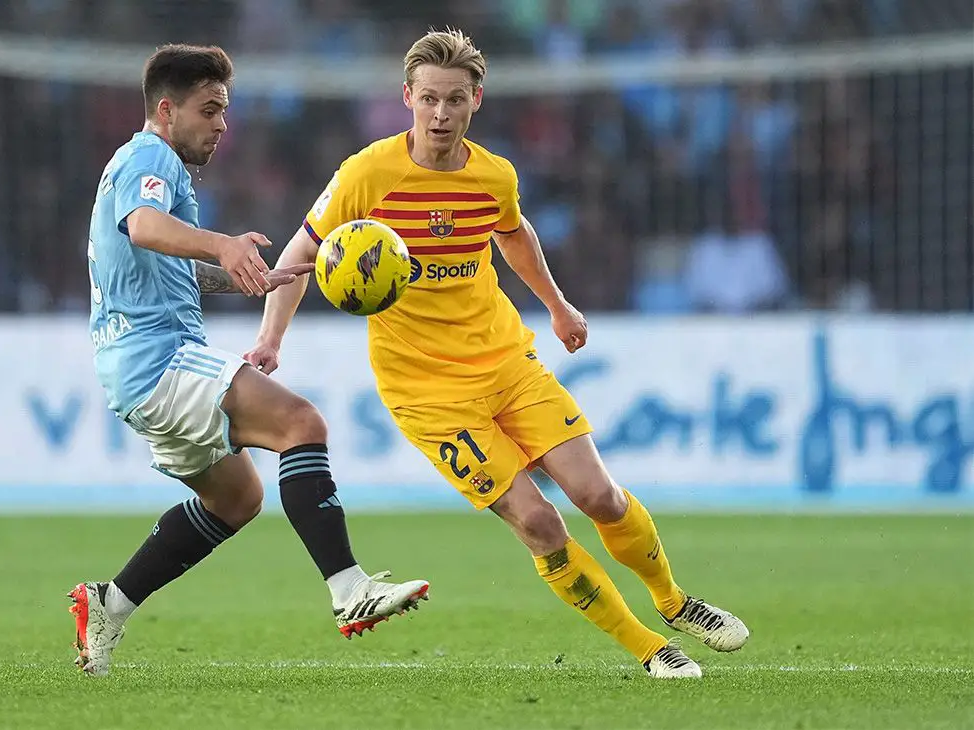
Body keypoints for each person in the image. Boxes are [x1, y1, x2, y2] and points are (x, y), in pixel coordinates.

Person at [247, 29, 748, 679]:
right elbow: (300, 256)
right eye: (428, 98)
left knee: (601, 498)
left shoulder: (492, 174)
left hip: (507, 363)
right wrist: (270, 338)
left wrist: (557, 304)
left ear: (475, 100)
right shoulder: (365, 175)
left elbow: (513, 234)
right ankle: (650, 647)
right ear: (407, 97)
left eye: (455, 99)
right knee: (539, 523)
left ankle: (674, 602)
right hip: (427, 394)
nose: (440, 114)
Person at [69, 43, 429, 678]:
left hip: (137, 369)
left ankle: (109, 602)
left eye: (225, 111)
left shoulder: (149, 167)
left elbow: (159, 267)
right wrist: (223, 245)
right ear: (166, 108)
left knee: (236, 500)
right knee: (302, 424)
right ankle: (350, 591)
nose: (221, 124)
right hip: (157, 360)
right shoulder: (149, 156)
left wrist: (246, 277)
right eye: (210, 110)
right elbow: (145, 228)